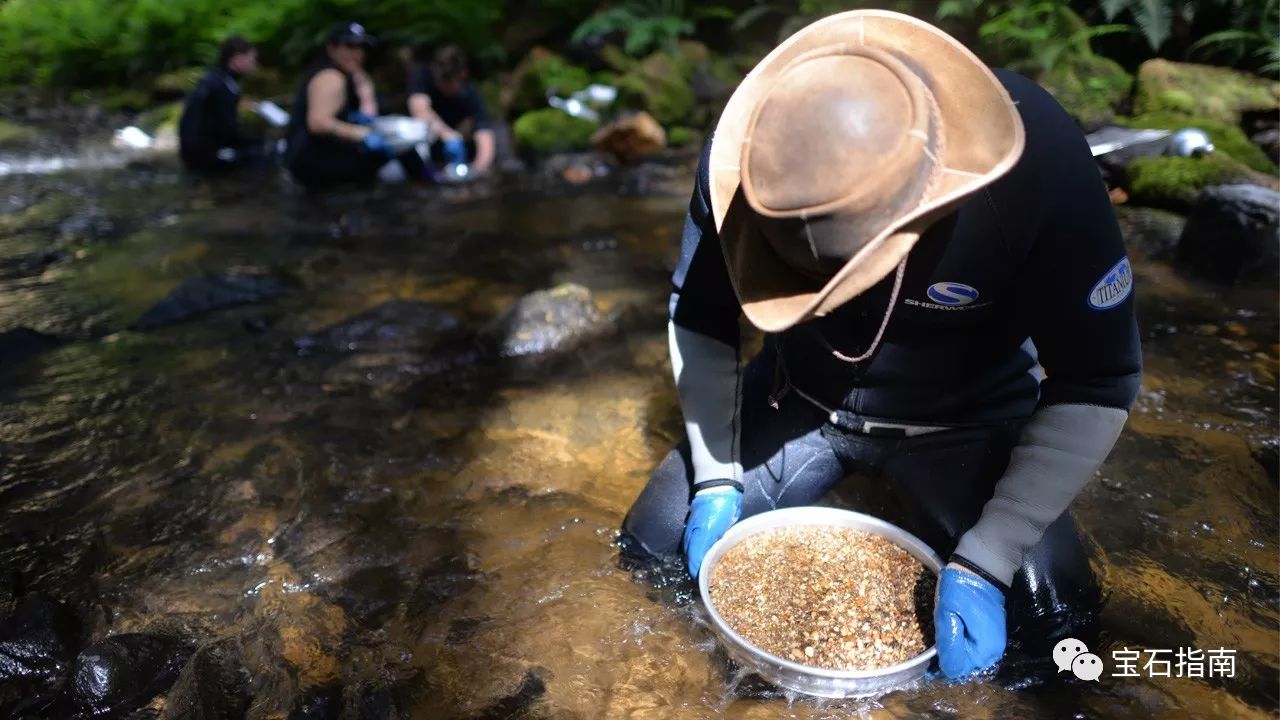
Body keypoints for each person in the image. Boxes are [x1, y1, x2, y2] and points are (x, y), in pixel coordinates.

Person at [621, 10, 1141, 681]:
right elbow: (699, 316)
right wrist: (716, 471)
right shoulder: (750, 152)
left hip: (971, 418)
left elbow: (1099, 378)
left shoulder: (1038, 165)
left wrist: (991, 551)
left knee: (1059, 639)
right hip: (796, 400)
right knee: (650, 548)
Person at [284, 22, 425, 188]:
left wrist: (364, 92)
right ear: (332, 48)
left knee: (399, 148)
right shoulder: (330, 77)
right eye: (350, 46)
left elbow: (370, 114)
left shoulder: (353, 76)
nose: (357, 53)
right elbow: (318, 123)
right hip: (313, 162)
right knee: (403, 152)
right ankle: (428, 184)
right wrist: (361, 134)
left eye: (361, 47)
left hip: (327, 156)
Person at [407, 45, 495, 175]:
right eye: (442, 81)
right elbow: (419, 109)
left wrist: (478, 169)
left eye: (450, 82)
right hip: (425, 151)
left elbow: (484, 134)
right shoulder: (423, 78)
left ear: (463, 76)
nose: (444, 87)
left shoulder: (471, 94)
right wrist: (448, 135)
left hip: (458, 158)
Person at [178, 35, 262, 173]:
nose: (254, 64)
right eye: (251, 59)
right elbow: (226, 127)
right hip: (205, 154)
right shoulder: (223, 85)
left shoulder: (215, 78)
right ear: (237, 58)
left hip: (193, 151)